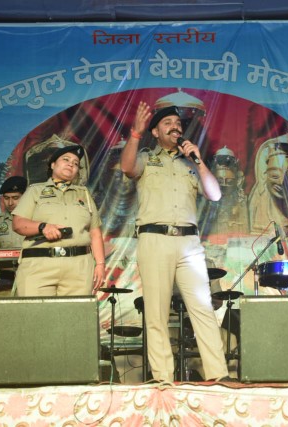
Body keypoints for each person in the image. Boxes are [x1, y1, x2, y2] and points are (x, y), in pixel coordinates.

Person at [120, 102, 230, 383]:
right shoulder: (146, 157)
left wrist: (199, 160)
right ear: (156, 132)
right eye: (167, 123)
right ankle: (163, 379)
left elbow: (215, 195)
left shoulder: (191, 163)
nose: (175, 127)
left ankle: (218, 375)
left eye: (178, 123)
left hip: (189, 242)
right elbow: (127, 167)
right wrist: (135, 133)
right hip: (155, 238)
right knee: (156, 312)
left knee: (203, 308)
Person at [12, 145, 106, 296]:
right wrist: (42, 227)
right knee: (35, 310)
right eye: (66, 160)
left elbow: (95, 232)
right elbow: (18, 224)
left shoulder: (84, 194)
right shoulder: (35, 191)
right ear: (53, 164)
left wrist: (100, 264)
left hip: (79, 267)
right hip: (39, 264)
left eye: (76, 163)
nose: (71, 164)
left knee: (76, 311)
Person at [0, 175, 27, 296]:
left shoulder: (37, 220)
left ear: (26, 197)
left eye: (15, 198)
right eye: (6, 198)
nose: (10, 203)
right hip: (6, 280)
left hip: (34, 277)